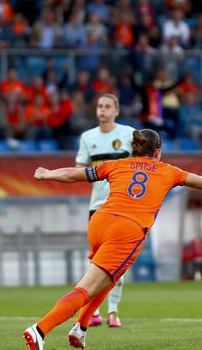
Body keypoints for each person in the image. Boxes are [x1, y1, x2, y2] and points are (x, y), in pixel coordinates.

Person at [23, 129, 202, 350]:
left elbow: (75, 174)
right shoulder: (168, 171)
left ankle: (80, 328)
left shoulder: (117, 164)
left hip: (99, 222)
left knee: (109, 277)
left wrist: (48, 173)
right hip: (127, 230)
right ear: (158, 152)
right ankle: (40, 330)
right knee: (87, 288)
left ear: (134, 150)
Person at [75, 93, 135, 328]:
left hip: (124, 206)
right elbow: (79, 169)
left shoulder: (129, 134)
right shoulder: (87, 137)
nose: (103, 110)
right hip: (97, 207)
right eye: (100, 106)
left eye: (107, 106)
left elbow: (142, 162)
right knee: (96, 261)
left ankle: (113, 310)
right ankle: (95, 312)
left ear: (116, 111)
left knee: (118, 262)